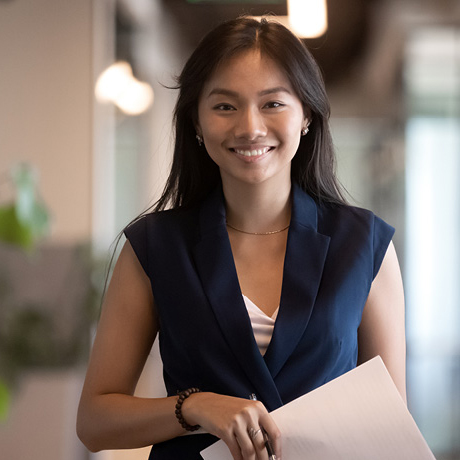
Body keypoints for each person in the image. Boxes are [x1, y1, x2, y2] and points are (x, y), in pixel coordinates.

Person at [77, 16, 406, 460]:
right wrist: (192, 406)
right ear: (196, 121)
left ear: (306, 114)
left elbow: (390, 425)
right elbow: (94, 423)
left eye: (272, 104)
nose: (250, 127)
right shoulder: (153, 246)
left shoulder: (364, 245)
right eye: (225, 106)